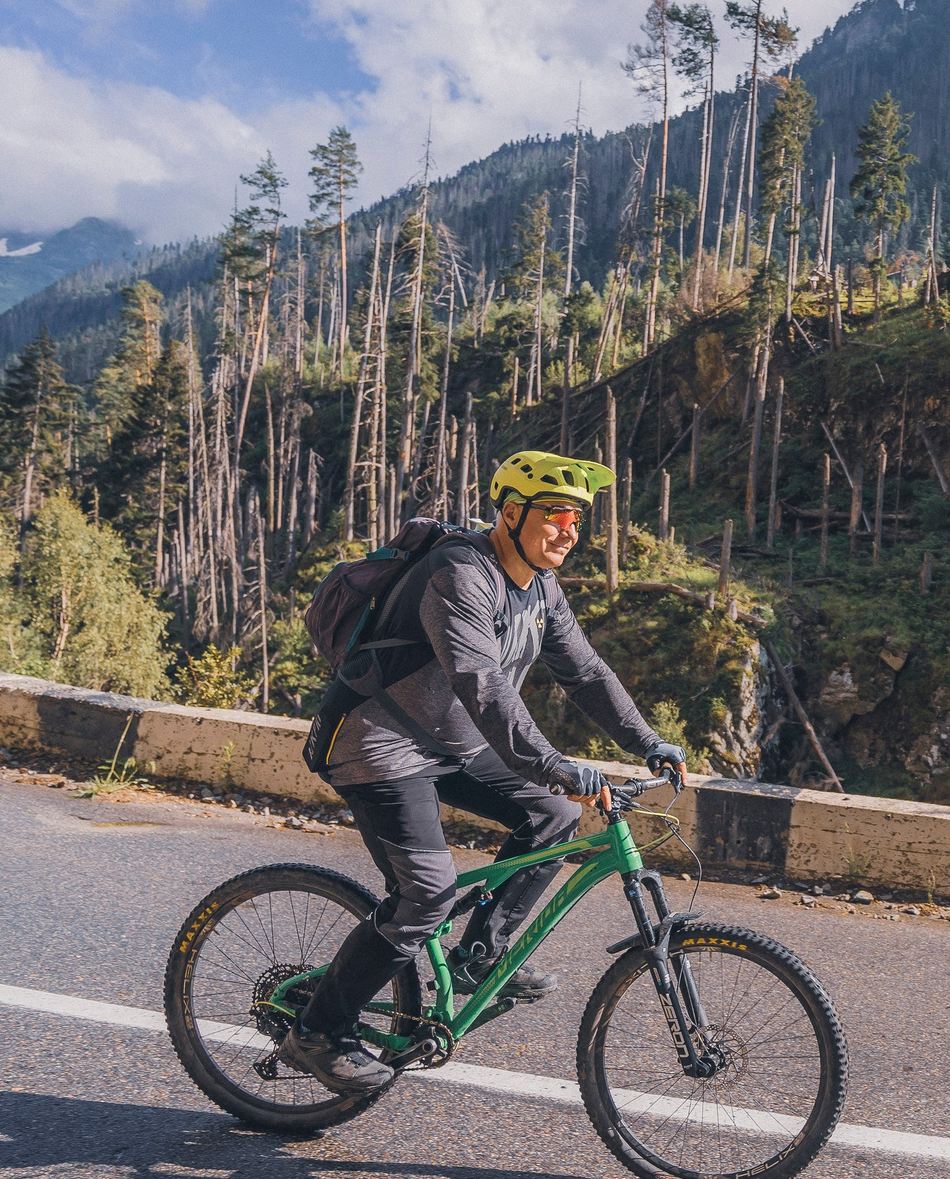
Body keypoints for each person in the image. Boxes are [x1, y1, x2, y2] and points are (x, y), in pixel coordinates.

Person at [279, 451, 686, 1093]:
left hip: (449, 744)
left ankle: (477, 958)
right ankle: (320, 1029)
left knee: (551, 816)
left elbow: (586, 673)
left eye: (577, 520)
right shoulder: (461, 572)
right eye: (555, 515)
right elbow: (485, 688)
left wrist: (648, 741)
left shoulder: (542, 589)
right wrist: (553, 764)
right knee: (428, 892)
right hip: (376, 743)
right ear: (511, 512)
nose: (569, 532)